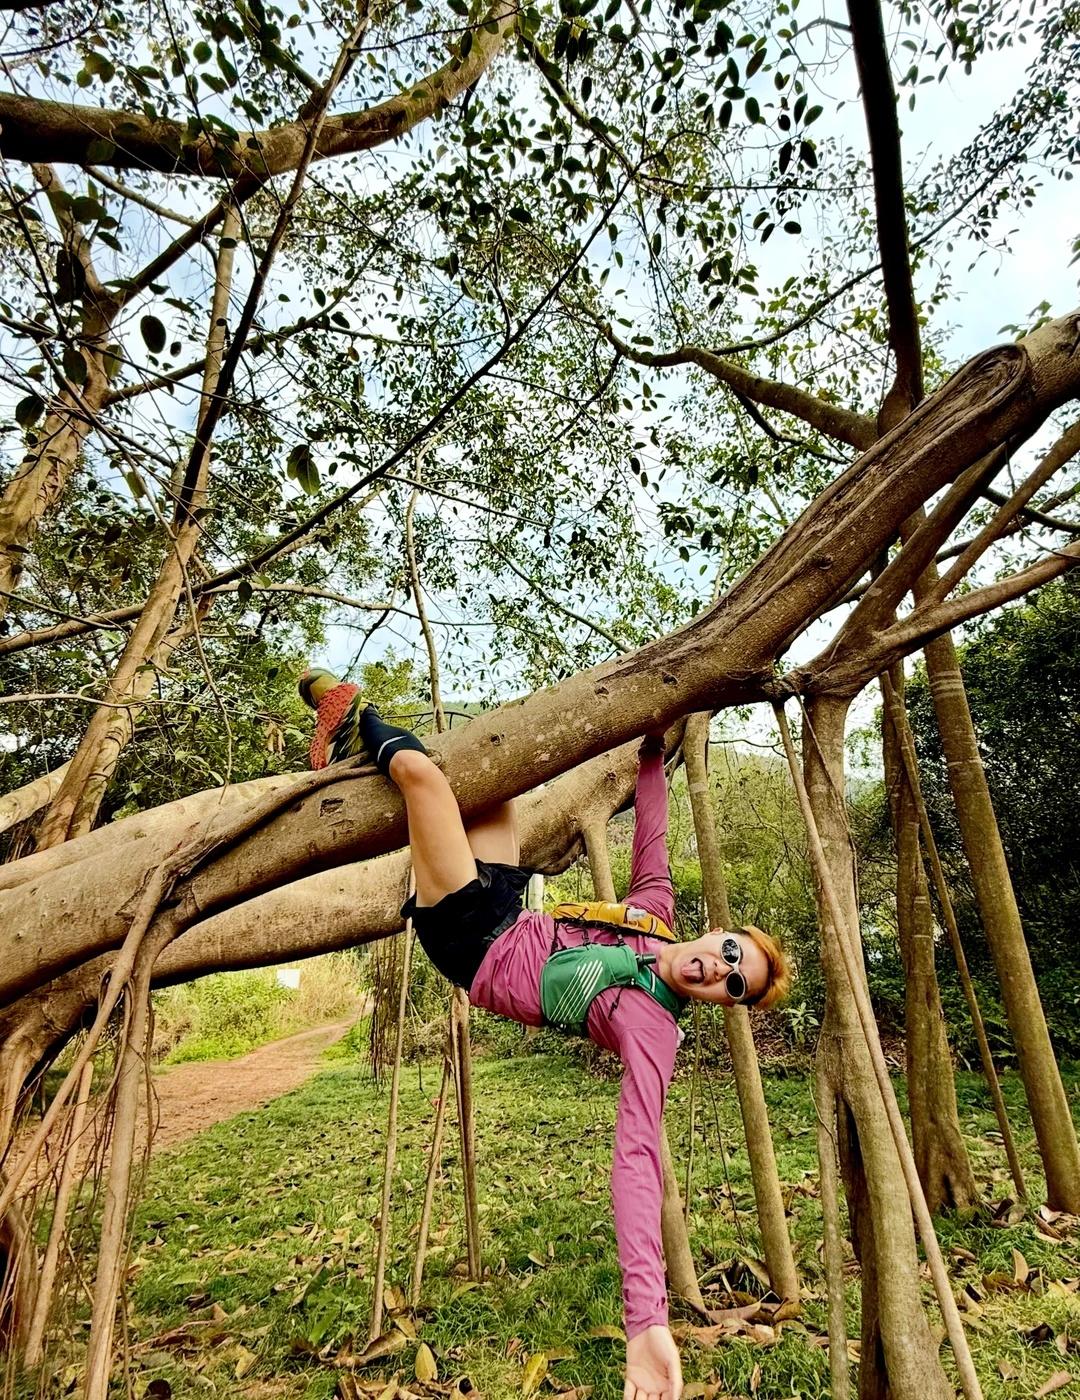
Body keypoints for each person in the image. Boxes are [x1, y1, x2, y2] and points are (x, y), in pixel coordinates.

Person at [299, 669, 791, 1400]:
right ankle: (369, 751)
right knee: (495, 788)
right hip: (509, 902)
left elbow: (637, 1162)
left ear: (724, 1002)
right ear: (716, 932)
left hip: (474, 945)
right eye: (730, 953)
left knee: (427, 785)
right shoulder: (654, 914)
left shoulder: (655, 1029)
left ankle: (348, 723)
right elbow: (652, 833)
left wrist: (646, 1319)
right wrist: (653, 749)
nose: (718, 971)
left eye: (734, 985)